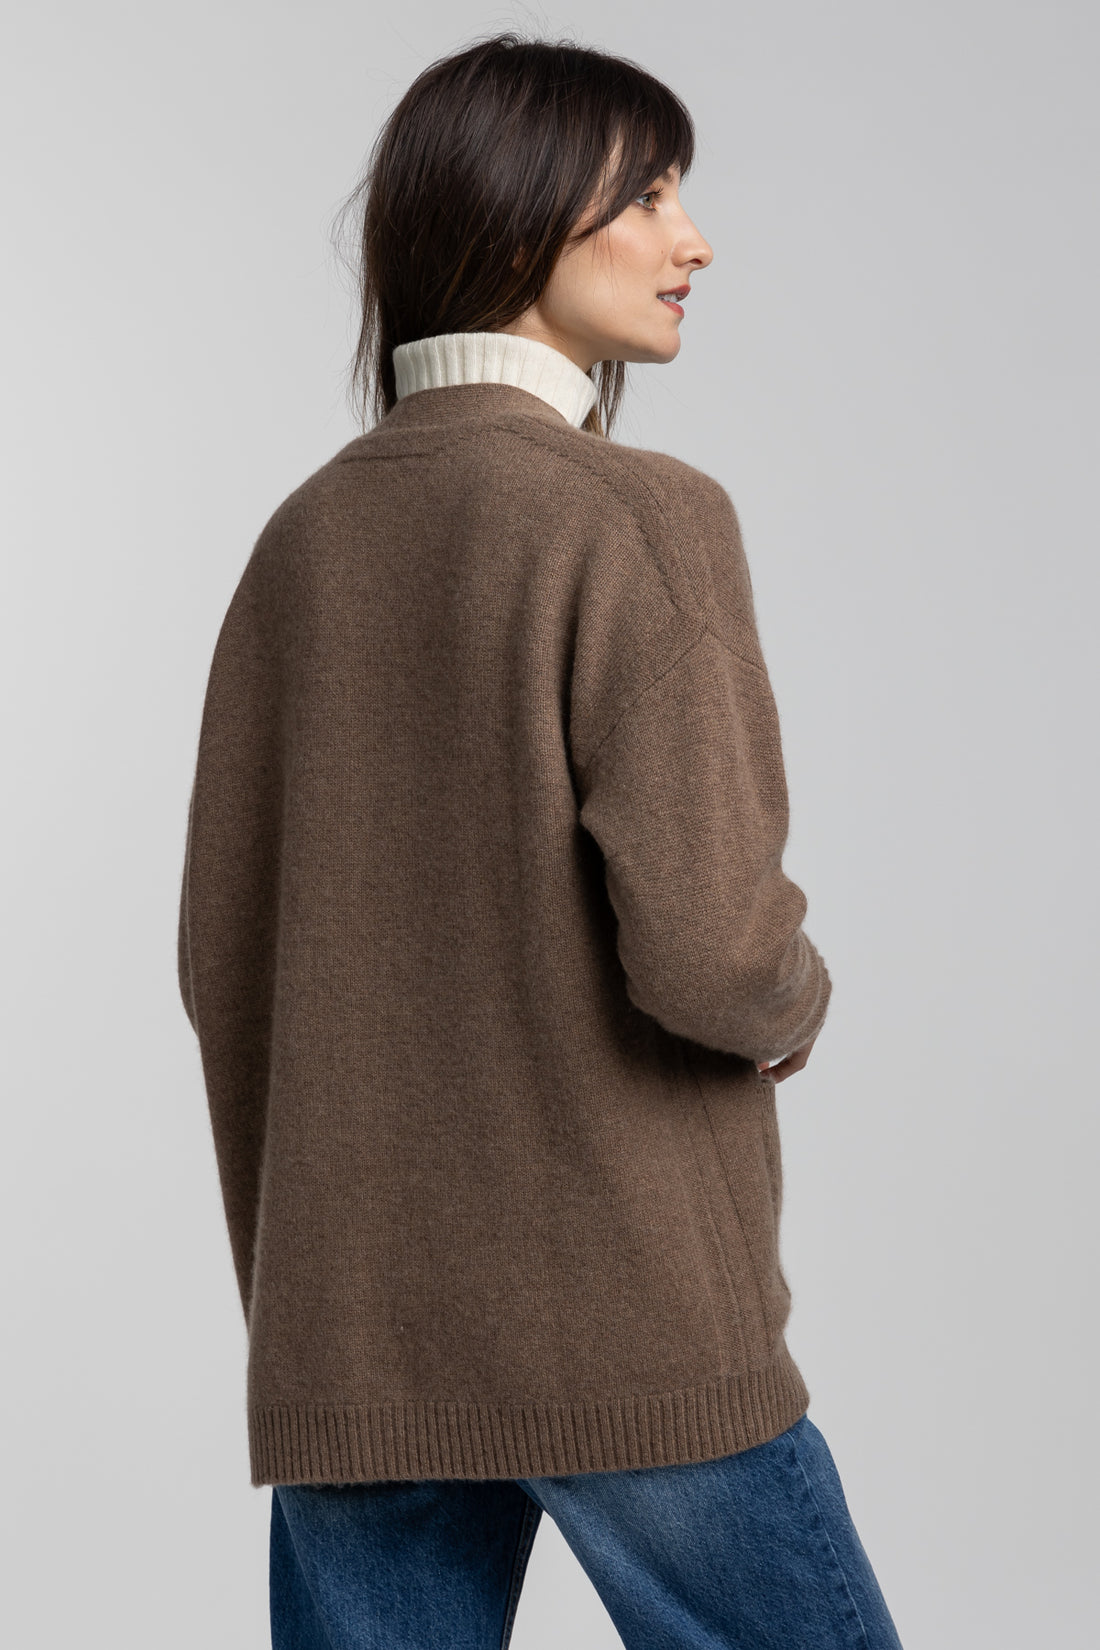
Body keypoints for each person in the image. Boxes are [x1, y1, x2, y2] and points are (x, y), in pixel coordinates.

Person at [177, 29, 905, 1650]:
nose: (692, 239)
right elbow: (712, 949)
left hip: (353, 1326)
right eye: (646, 196)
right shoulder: (637, 514)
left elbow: (220, 957)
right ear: (515, 219)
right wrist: (792, 999)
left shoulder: (302, 540)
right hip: (628, 1315)